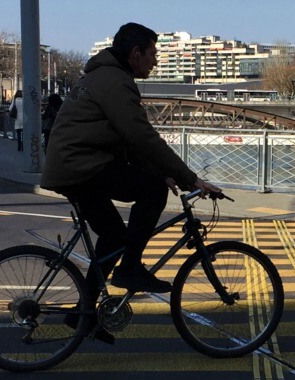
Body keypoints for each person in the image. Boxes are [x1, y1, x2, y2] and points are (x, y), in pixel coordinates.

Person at [41, 22, 220, 335]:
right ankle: (131, 269)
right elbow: (142, 137)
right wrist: (189, 177)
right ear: (135, 53)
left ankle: (81, 314)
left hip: (73, 165)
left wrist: (163, 171)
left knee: (113, 237)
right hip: (81, 165)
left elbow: (127, 140)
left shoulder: (102, 75)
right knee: (151, 192)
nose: (156, 61)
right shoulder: (116, 82)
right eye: (152, 53)